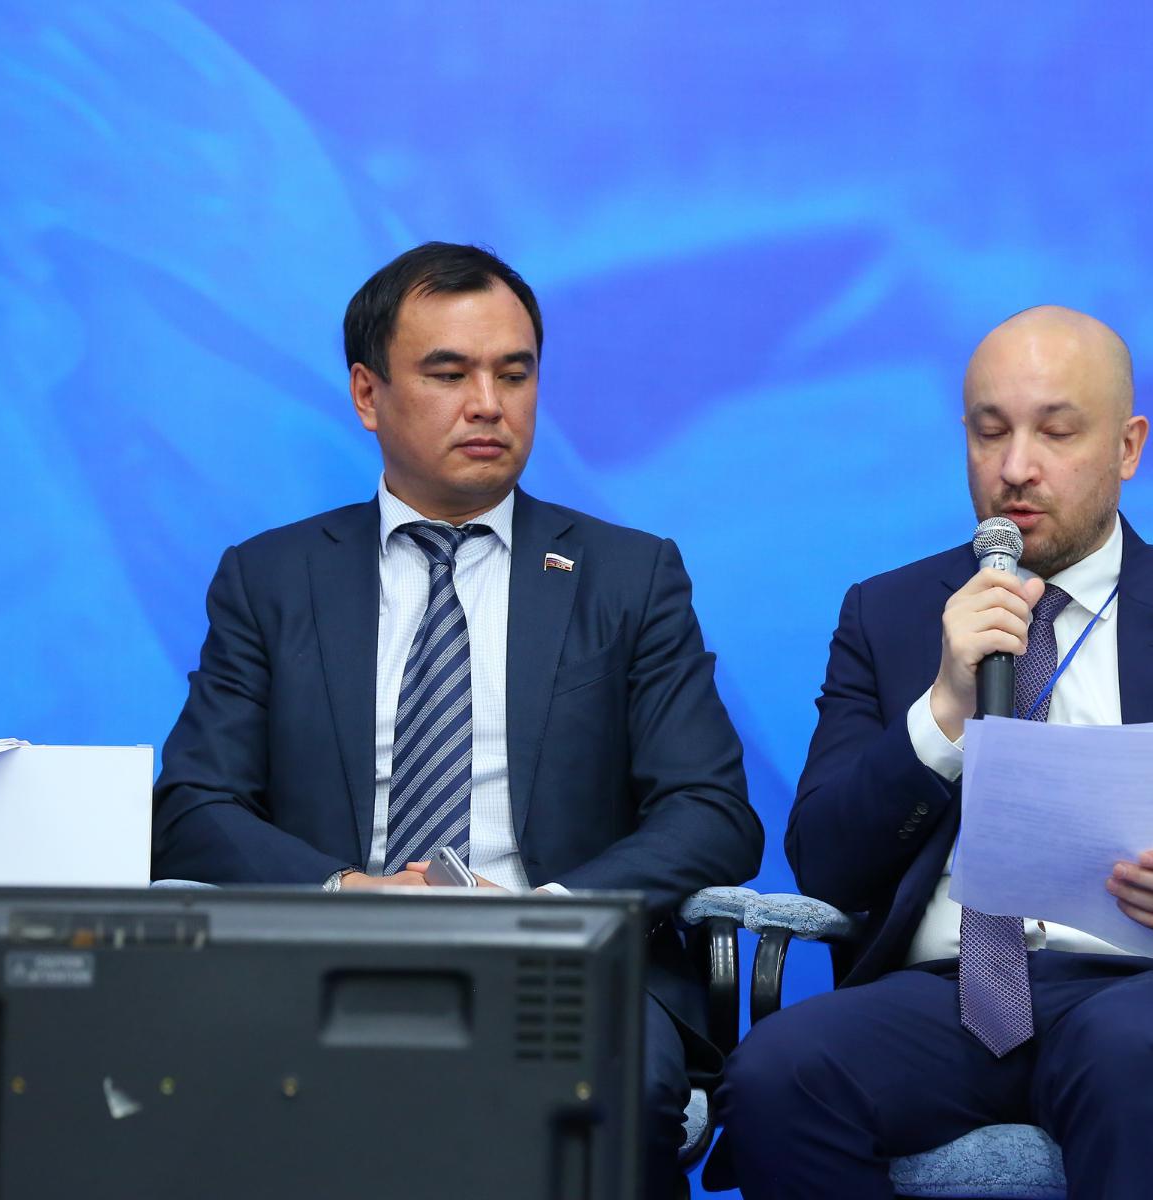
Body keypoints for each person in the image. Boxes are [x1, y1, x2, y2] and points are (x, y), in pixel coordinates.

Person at [151, 241, 763, 1199]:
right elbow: (193, 806)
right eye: (449, 373)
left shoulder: (628, 575)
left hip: (564, 967)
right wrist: (344, 893)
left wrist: (546, 915)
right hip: (323, 962)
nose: (488, 404)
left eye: (514, 374)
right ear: (368, 395)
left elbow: (711, 812)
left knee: (616, 1089)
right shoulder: (271, 579)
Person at [709, 306, 1153, 1199]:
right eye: (990, 433)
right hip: (947, 995)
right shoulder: (888, 614)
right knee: (777, 1071)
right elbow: (825, 859)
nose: (1016, 468)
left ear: (1127, 447)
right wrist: (943, 709)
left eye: (1056, 432)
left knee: (1123, 1047)